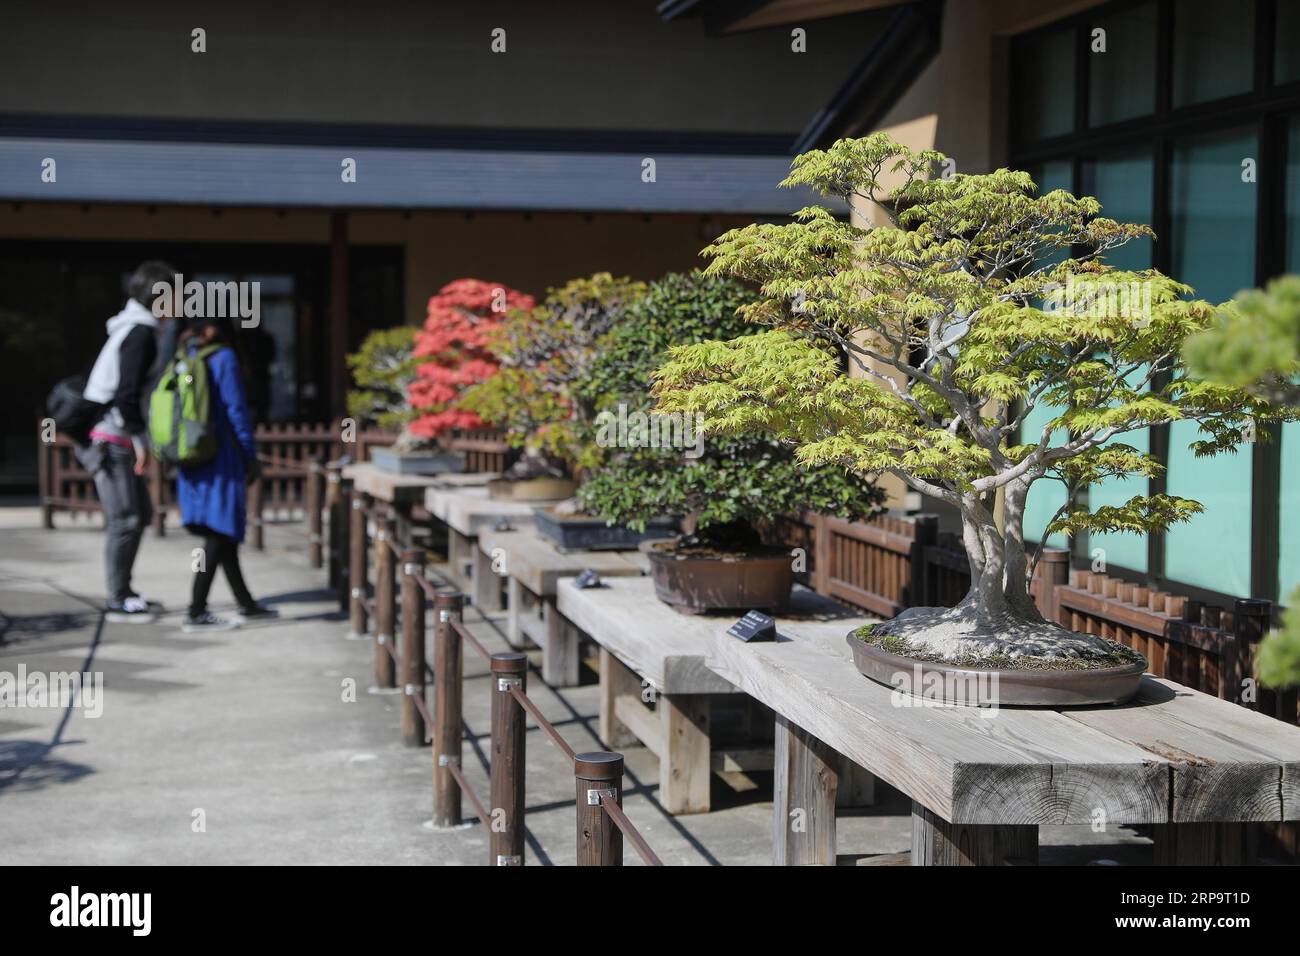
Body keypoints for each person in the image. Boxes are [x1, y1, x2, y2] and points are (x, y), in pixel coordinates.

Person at [80, 260, 178, 622]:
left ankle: (125, 592)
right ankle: (117, 597)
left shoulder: (133, 328)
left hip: (113, 433)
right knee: (126, 518)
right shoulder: (139, 333)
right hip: (111, 437)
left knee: (139, 515)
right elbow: (127, 395)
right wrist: (141, 444)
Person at [173, 316, 278, 633]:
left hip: (192, 454)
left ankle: (246, 603)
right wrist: (249, 454)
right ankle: (196, 609)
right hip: (221, 456)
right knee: (218, 533)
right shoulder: (223, 357)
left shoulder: (184, 355)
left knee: (222, 532)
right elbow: (236, 409)